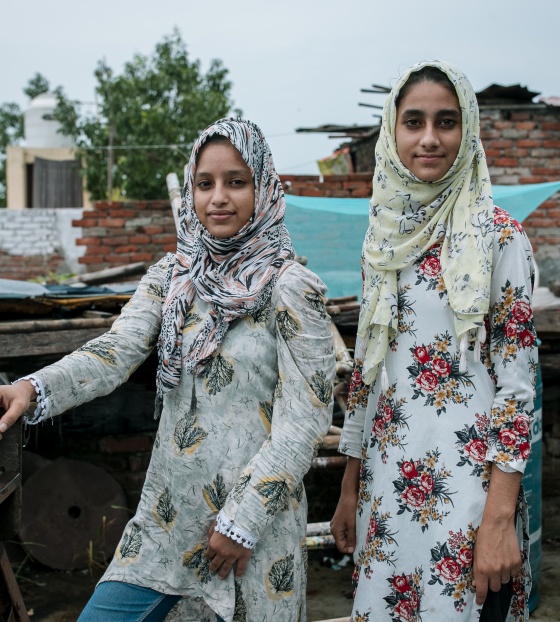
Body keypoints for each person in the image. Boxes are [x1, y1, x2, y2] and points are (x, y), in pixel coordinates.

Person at [0, 118, 336, 622]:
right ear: (191, 190)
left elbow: (304, 422)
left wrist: (242, 522)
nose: (218, 198)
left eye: (236, 182)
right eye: (205, 184)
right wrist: (33, 387)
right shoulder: (174, 277)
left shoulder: (290, 288)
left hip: (253, 533)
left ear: (264, 187)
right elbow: (115, 351)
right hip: (166, 521)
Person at [330, 60, 537, 622]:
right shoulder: (382, 240)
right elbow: (368, 375)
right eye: (413, 121)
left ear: (467, 130)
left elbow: (518, 391)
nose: (428, 138)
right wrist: (350, 486)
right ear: (391, 131)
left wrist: (498, 521)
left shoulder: (499, 237)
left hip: (467, 502)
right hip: (387, 493)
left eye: (446, 122)